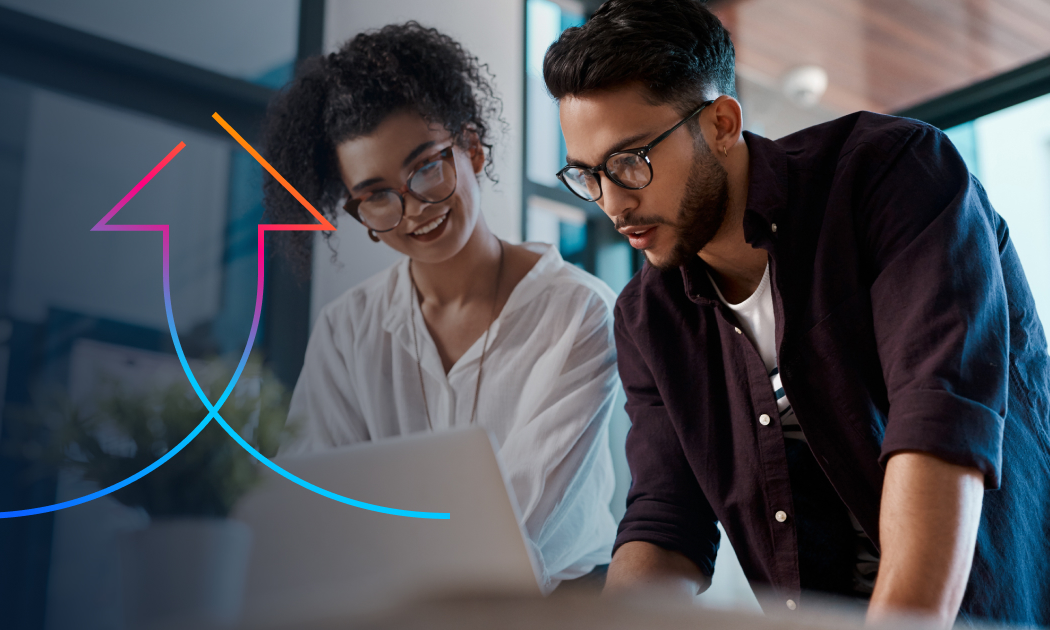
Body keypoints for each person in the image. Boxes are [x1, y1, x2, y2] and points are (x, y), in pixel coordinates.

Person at [542, 0, 1050, 626]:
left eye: (630, 163)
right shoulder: (648, 315)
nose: (613, 203)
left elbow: (938, 423)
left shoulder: (891, 175)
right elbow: (665, 520)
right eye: (588, 174)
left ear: (722, 124)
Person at [261, 22, 620, 591]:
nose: (412, 210)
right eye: (376, 195)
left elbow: (518, 531)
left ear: (472, 150)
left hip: (559, 611)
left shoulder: (580, 313)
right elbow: (312, 509)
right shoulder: (347, 330)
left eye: (427, 167)